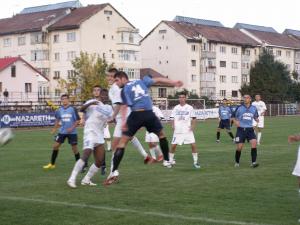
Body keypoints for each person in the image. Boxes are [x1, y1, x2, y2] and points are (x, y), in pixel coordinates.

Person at [104, 71, 183, 185]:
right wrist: (173, 82)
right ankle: (166, 160)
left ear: (122, 78)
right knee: (162, 135)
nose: (116, 83)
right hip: (149, 114)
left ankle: (114, 171)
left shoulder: (124, 90)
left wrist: (124, 122)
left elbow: (124, 106)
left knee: (122, 144)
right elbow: (159, 79)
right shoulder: (142, 80)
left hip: (136, 115)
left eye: (116, 80)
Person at [67, 86, 113, 188]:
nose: (104, 96)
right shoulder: (93, 102)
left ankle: (86, 179)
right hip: (90, 132)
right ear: (100, 95)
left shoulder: (109, 108)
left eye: (106, 95)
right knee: (86, 153)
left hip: (100, 134)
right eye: (103, 94)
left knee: (100, 160)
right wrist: (90, 103)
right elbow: (82, 109)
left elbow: (112, 118)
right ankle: (72, 178)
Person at [106, 68, 151, 165]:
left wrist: (113, 116)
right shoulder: (117, 87)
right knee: (130, 137)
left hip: (124, 117)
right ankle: (145, 155)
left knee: (115, 145)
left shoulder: (115, 87)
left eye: (111, 76)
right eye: (108, 76)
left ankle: (113, 173)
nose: (109, 78)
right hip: (124, 116)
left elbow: (119, 104)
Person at [43, 94, 80, 169]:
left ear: (68, 100)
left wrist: (71, 128)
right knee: (55, 146)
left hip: (72, 132)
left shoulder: (73, 109)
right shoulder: (59, 110)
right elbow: (57, 119)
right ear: (61, 100)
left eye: (65, 99)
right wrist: (54, 128)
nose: (64, 100)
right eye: (62, 99)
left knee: (74, 148)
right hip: (62, 132)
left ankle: (79, 165)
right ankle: (52, 164)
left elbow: (78, 120)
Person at [169, 92, 200, 169]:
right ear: (178, 99)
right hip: (178, 130)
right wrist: (172, 125)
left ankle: (196, 162)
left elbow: (194, 118)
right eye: (180, 97)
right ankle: (170, 161)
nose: (181, 99)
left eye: (183, 97)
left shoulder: (190, 107)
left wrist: (193, 126)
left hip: (187, 130)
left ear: (185, 98)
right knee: (173, 146)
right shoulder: (176, 108)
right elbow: (172, 117)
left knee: (193, 145)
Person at [232, 94, 259, 168]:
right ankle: (237, 162)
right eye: (244, 98)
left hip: (250, 129)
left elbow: (256, 116)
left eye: (247, 98)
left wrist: (256, 120)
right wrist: (235, 122)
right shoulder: (239, 107)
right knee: (239, 147)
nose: (245, 99)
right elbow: (233, 117)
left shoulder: (254, 108)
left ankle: (253, 162)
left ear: (250, 99)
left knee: (254, 143)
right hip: (241, 130)